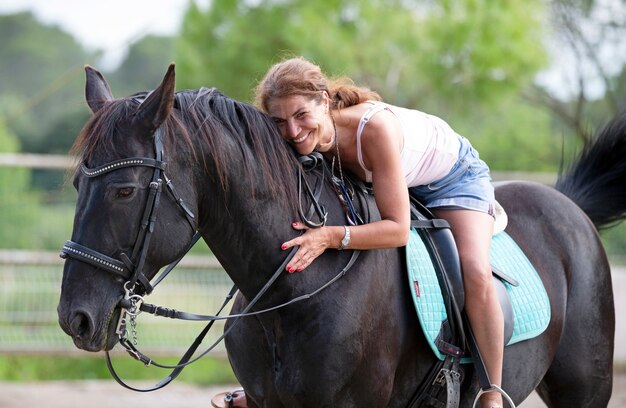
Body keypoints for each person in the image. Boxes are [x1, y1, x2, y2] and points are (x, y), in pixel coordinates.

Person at [215, 56, 504, 408]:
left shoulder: (373, 130)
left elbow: (398, 231)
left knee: (474, 269)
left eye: (301, 115)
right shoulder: (293, 137)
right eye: (279, 121)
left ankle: (491, 390)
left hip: (452, 178)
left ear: (323, 101)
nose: (292, 131)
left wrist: (329, 236)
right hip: (391, 175)